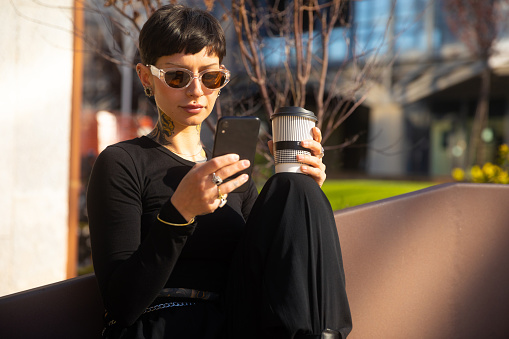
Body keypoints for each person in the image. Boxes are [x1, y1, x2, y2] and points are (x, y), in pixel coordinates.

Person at [87, 4, 351, 339]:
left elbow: (271, 268)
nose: (197, 91)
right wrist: (178, 214)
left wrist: (302, 197)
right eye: (177, 76)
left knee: (293, 189)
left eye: (210, 77)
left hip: (233, 323)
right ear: (145, 77)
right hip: (163, 325)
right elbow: (121, 304)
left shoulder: (232, 173)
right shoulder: (123, 163)